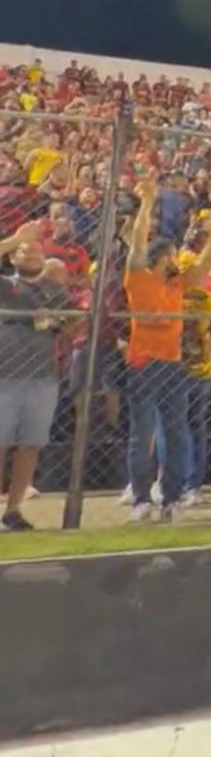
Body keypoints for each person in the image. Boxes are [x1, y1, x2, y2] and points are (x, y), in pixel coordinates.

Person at [123, 176, 211, 522]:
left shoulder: (176, 285)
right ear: (161, 257)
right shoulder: (139, 277)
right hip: (144, 361)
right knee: (143, 433)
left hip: (172, 363)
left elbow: (202, 268)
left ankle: (170, 499)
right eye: (171, 256)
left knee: (177, 432)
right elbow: (137, 242)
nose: (176, 262)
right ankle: (140, 497)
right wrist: (148, 203)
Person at [0, 222, 70, 531]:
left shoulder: (53, 290)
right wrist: (17, 238)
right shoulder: (6, 284)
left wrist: (65, 321)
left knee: (31, 444)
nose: (31, 255)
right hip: (5, 374)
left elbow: (68, 327)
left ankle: (13, 510)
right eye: (25, 252)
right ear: (13, 258)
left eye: (37, 251)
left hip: (43, 377)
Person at [153, 251, 211, 508]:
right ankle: (193, 485)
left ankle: (172, 483)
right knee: (195, 428)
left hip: (175, 367)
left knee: (169, 428)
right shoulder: (206, 297)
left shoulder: (171, 295)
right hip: (202, 367)